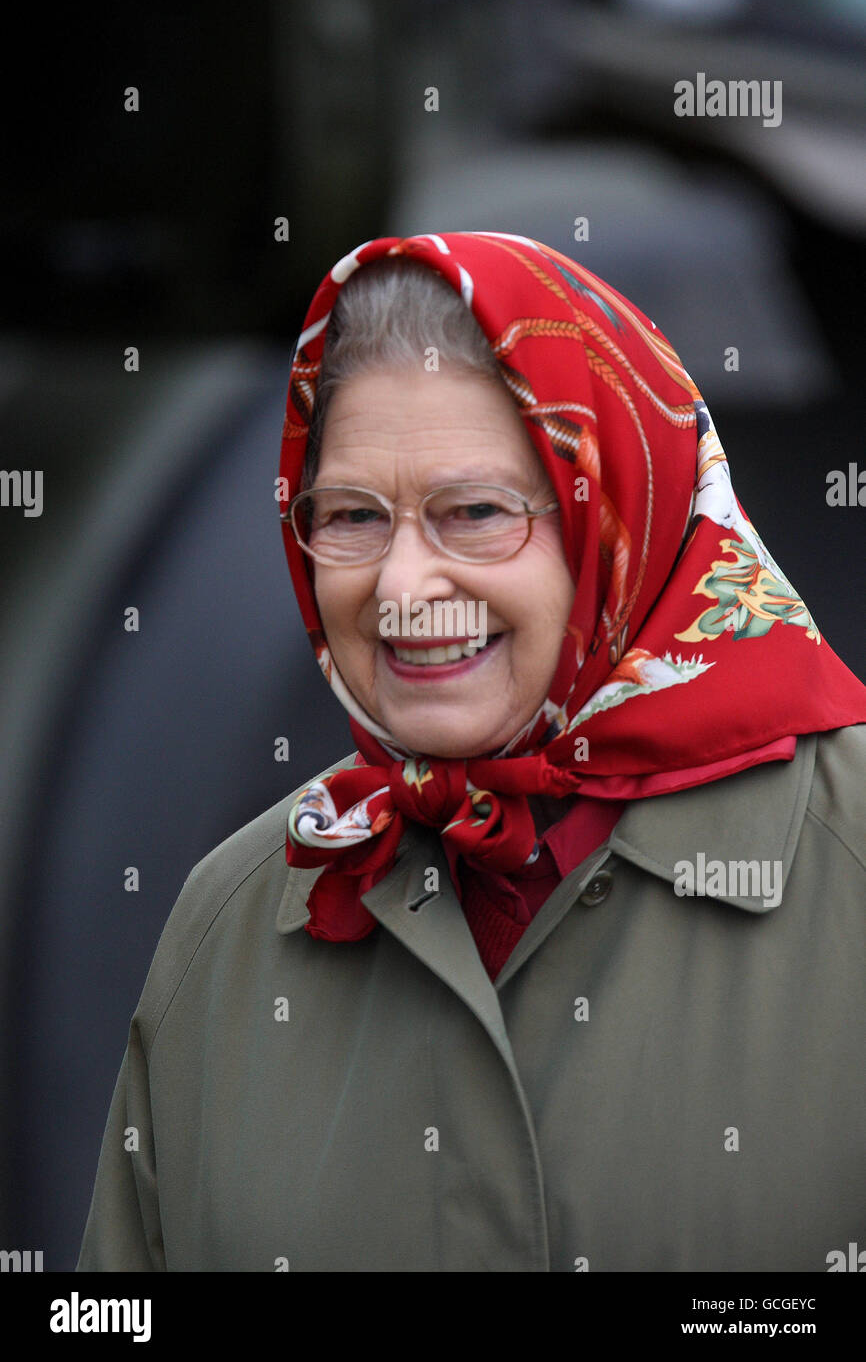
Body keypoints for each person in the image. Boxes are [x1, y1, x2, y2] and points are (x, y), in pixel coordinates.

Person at [77, 230, 866, 1272]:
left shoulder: (843, 853)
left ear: (615, 510)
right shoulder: (236, 918)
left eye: (475, 513)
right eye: (352, 516)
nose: (401, 589)